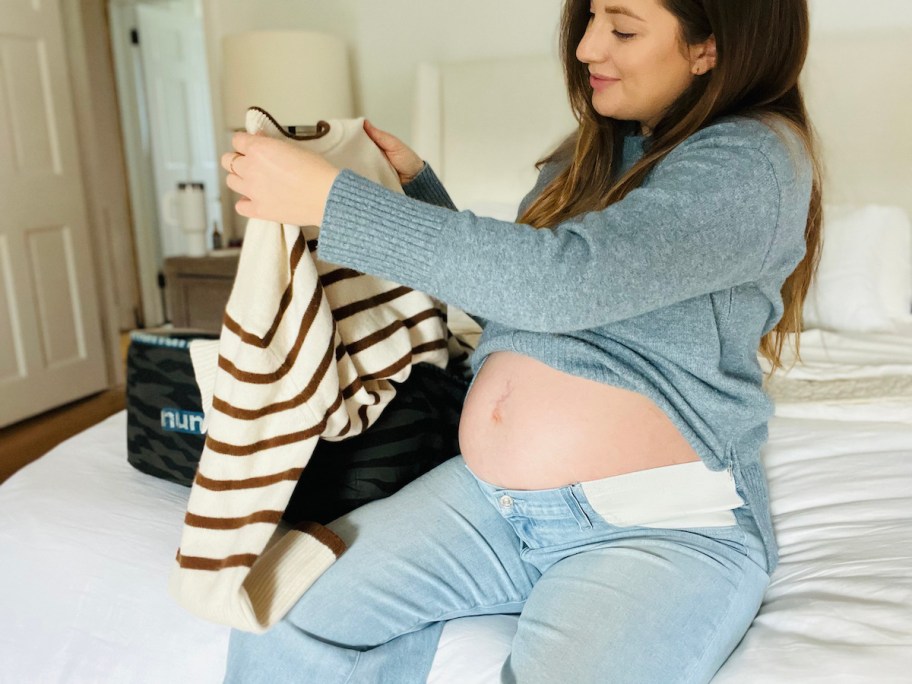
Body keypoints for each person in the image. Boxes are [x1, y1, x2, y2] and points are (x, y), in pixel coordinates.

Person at [220, 0, 821, 681]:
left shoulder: (752, 161)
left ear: (710, 47)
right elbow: (519, 307)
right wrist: (417, 193)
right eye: (591, 17)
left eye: (623, 28)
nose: (588, 47)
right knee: (281, 608)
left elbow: (562, 282)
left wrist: (335, 202)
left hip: (658, 525)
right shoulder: (591, 151)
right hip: (491, 503)